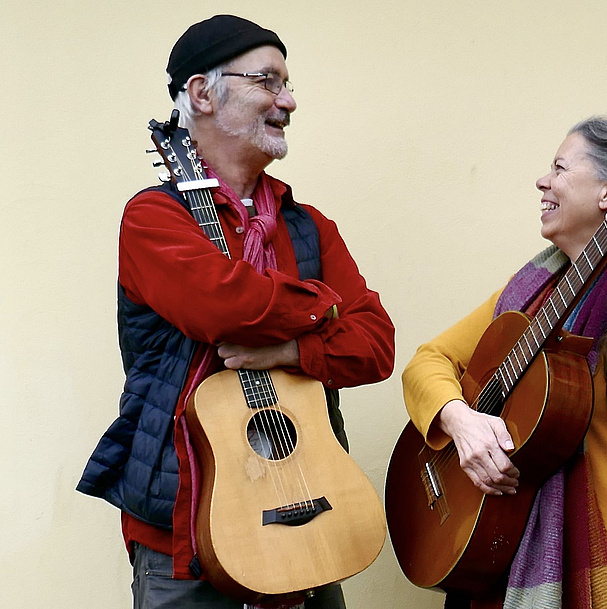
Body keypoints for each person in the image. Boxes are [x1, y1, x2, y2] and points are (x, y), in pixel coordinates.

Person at [76, 14, 395, 609]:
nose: (289, 100)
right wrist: (324, 307)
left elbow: (376, 346)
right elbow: (223, 308)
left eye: (287, 84)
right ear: (201, 93)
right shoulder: (153, 218)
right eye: (268, 82)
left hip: (311, 509)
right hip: (185, 538)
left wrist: (293, 350)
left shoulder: (308, 227)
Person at [401, 118, 607, 609]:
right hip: (509, 560)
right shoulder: (531, 297)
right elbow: (428, 361)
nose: (543, 181)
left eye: (559, 168)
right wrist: (462, 422)